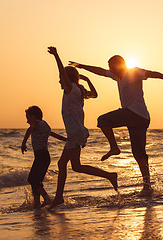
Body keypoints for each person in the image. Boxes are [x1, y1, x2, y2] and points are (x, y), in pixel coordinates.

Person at [69, 55, 163, 196]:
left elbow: (150, 73)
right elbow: (100, 71)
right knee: (139, 154)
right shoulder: (116, 76)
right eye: (109, 66)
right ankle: (147, 187)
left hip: (135, 113)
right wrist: (82, 66)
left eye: (112, 66)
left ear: (121, 65)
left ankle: (114, 147)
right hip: (140, 118)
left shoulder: (133, 71)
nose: (110, 69)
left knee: (102, 120)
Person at [47, 46, 118, 210]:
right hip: (77, 132)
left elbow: (61, 72)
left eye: (61, 78)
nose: (59, 80)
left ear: (66, 78)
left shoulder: (71, 88)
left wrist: (56, 55)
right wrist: (86, 80)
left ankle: (109, 176)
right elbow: (95, 94)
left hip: (75, 132)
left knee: (76, 166)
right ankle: (58, 197)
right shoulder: (80, 90)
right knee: (62, 164)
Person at [21, 105, 67, 209]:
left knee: (32, 179)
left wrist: (23, 143)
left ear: (33, 117)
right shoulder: (44, 125)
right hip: (44, 157)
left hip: (41, 156)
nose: (27, 121)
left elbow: (31, 128)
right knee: (36, 182)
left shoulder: (36, 124)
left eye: (27, 117)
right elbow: (53, 134)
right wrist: (66, 140)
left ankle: (46, 198)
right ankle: (36, 204)